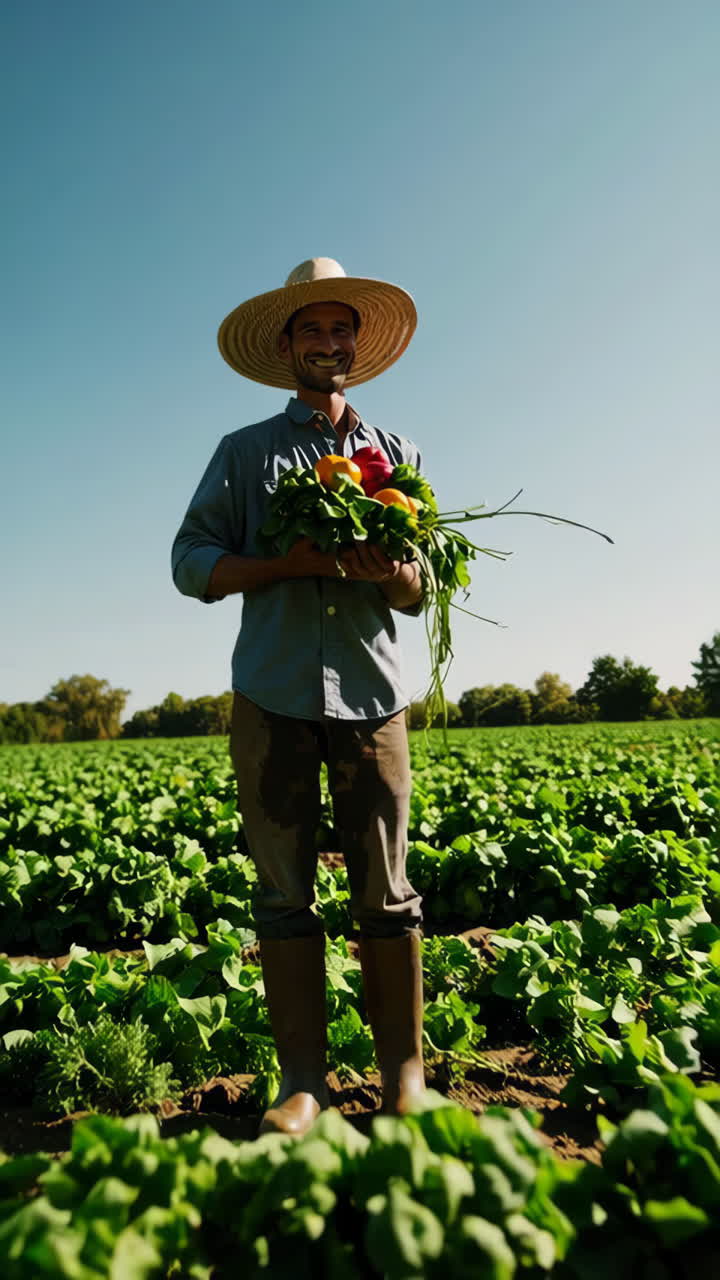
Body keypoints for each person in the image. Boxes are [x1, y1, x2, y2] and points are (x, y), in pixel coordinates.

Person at [171, 257, 426, 1137]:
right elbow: (190, 561)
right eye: (311, 330)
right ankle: (303, 1083)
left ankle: (404, 1074)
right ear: (286, 348)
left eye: (340, 328)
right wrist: (286, 565)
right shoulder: (243, 454)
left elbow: (421, 586)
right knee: (283, 894)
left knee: (387, 894)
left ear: (358, 343)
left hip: (373, 697)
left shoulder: (398, 455)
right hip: (273, 694)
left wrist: (392, 570)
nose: (329, 343)